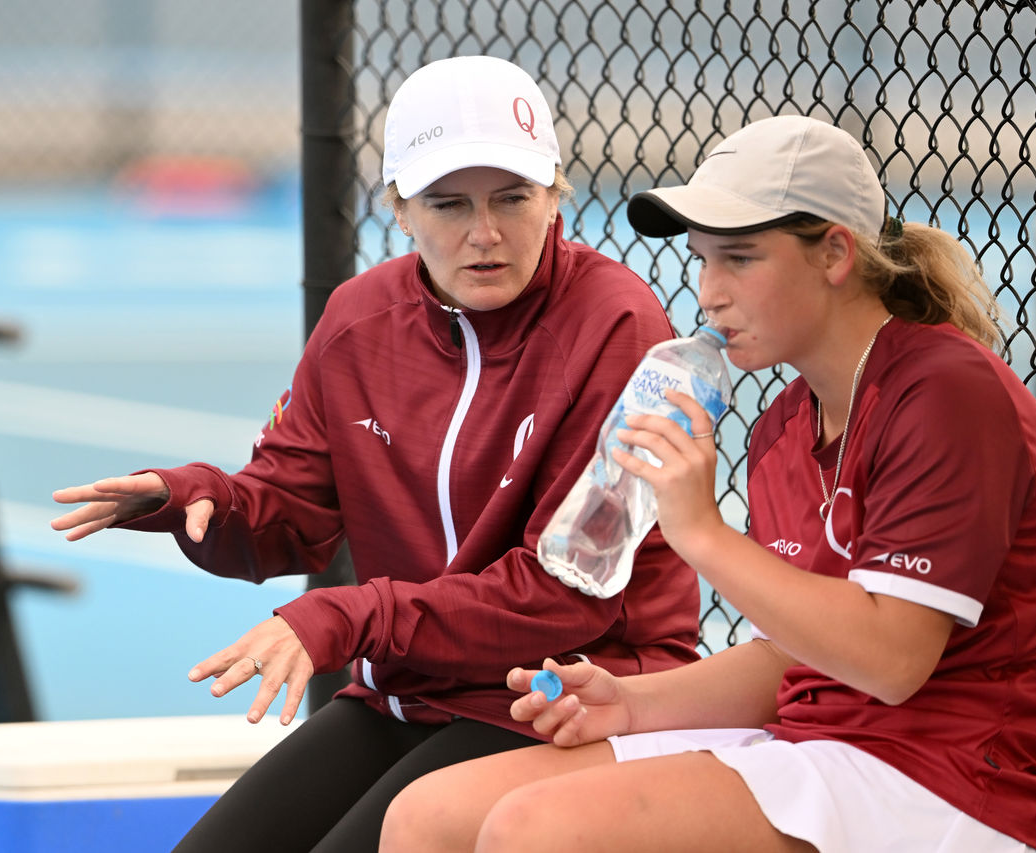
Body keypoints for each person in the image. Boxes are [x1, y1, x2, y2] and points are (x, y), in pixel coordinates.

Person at [378, 114, 1036, 853]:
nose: (710, 293)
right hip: (815, 746)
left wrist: (701, 533)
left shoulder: (946, 392)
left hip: (948, 783)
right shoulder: (784, 422)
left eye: (740, 259)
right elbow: (790, 655)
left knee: (535, 831)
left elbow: (891, 662)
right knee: (426, 815)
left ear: (836, 254)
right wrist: (629, 703)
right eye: (702, 260)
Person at [49, 55, 703, 853]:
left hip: (571, 692)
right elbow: (290, 515)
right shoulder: (359, 321)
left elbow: (570, 597)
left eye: (512, 198)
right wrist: (200, 501)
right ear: (398, 208)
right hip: (407, 691)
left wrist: (351, 615)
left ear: (557, 190)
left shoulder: (616, 323)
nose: (485, 232)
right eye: (448, 203)